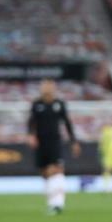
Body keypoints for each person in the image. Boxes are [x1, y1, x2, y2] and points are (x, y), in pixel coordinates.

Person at [27, 80, 79, 214]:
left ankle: (58, 204)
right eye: (44, 86)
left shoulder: (59, 104)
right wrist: (30, 135)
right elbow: (31, 121)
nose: (46, 89)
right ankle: (51, 202)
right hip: (41, 143)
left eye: (49, 86)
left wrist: (73, 141)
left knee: (55, 169)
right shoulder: (37, 104)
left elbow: (67, 123)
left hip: (55, 142)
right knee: (44, 172)